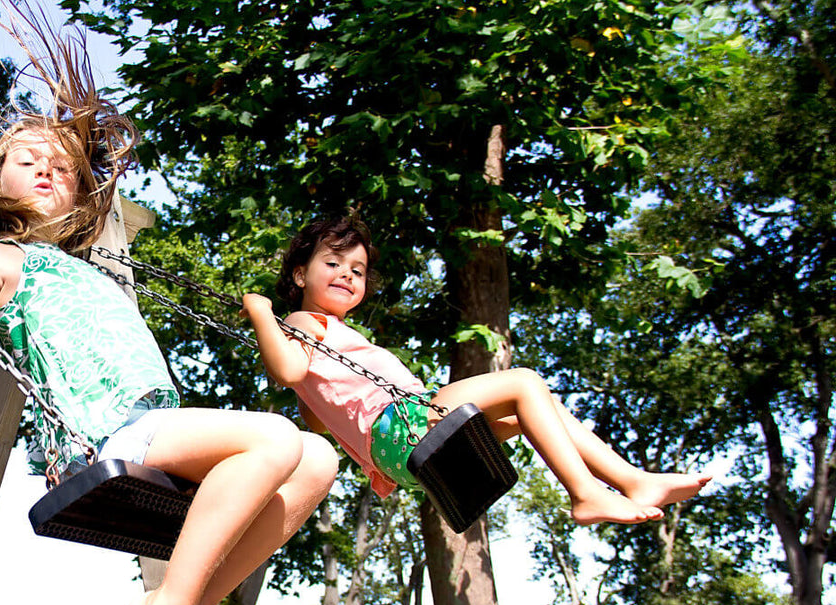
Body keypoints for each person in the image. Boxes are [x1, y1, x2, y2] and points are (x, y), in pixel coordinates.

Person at [0, 2, 337, 605]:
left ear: (80, 193)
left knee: (316, 458)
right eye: (26, 161)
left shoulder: (91, 268)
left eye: (61, 168)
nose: (45, 170)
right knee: (277, 439)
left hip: (153, 426)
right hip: (99, 437)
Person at [241, 213, 710, 526]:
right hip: (405, 427)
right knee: (525, 382)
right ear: (301, 275)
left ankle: (632, 481)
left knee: (532, 411)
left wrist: (322, 396)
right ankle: (587, 493)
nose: (347, 273)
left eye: (358, 270)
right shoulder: (303, 321)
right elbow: (286, 370)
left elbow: (320, 417)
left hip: (404, 451)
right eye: (333, 262)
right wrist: (262, 313)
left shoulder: (332, 337)